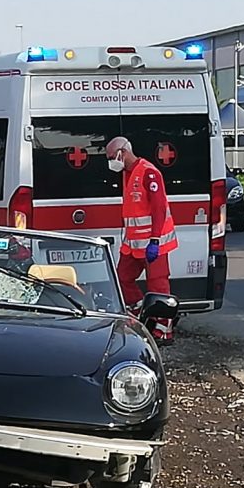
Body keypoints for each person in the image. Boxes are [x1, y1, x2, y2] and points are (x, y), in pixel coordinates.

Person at [106, 135, 178, 343]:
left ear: (123, 152)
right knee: (121, 279)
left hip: (154, 243)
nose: (110, 161)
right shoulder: (128, 173)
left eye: (112, 156)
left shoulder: (149, 172)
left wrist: (155, 240)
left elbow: (158, 209)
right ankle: (141, 311)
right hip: (133, 245)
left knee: (158, 286)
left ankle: (164, 329)